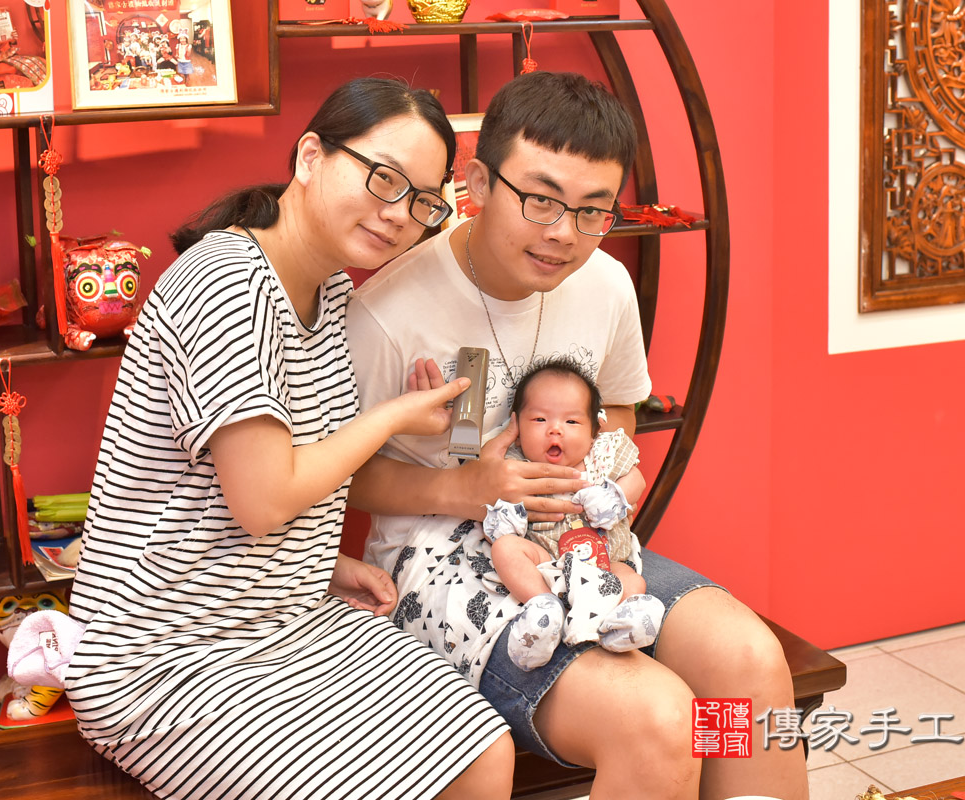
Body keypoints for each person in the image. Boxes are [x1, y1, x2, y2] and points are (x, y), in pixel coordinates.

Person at [348, 71, 809, 800]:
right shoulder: (386, 310)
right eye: (540, 199)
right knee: (658, 720)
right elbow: (342, 478)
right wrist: (463, 489)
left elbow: (617, 412)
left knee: (747, 663)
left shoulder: (605, 284)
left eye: (592, 210)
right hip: (438, 561)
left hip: (582, 546)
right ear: (478, 182)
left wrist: (604, 480)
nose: (564, 233)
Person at [64, 77, 513, 800]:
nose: (399, 214)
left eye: (423, 201)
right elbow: (264, 499)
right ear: (310, 156)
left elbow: (241, 486)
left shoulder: (327, 289)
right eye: (384, 178)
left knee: (482, 748)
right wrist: (392, 417)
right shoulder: (225, 283)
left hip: (286, 621)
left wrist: (318, 566)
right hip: (163, 660)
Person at [483, 358, 666, 671]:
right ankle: (543, 608)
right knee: (505, 548)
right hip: (546, 564)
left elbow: (637, 478)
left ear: (595, 430)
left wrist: (616, 496)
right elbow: (500, 501)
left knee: (632, 581)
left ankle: (622, 624)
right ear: (517, 428)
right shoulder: (515, 466)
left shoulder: (602, 456)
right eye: (539, 419)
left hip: (605, 565)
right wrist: (505, 517)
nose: (555, 429)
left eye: (571, 421)